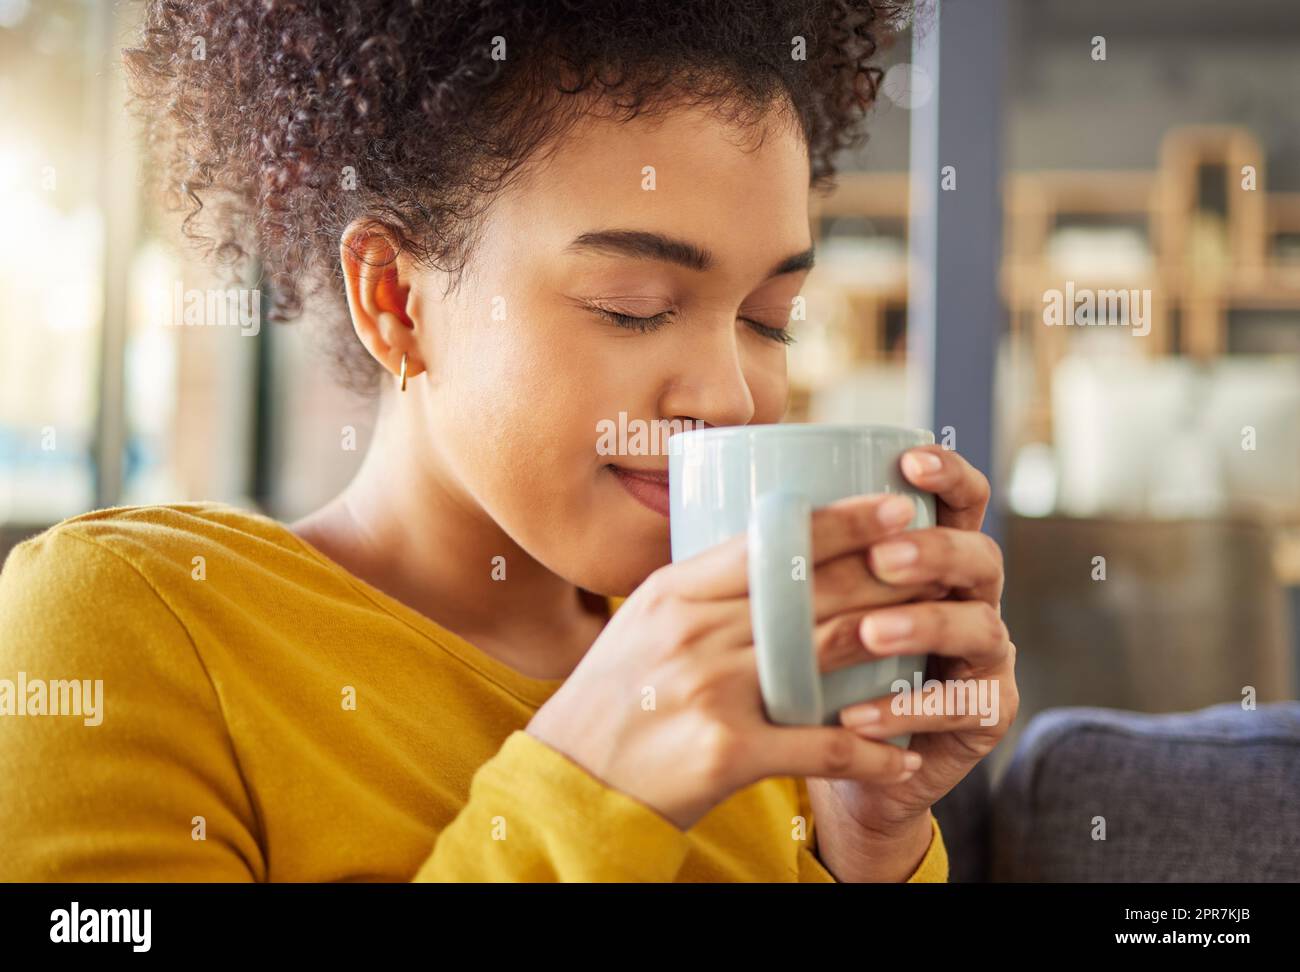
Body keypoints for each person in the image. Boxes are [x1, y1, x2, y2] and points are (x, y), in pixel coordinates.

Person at [0, 0, 1016, 882]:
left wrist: (866, 842)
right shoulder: (126, 625)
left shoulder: (765, 668)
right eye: (631, 307)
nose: (732, 394)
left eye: (768, 318)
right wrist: (592, 788)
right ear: (395, 299)